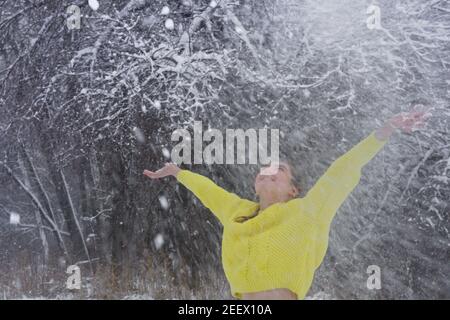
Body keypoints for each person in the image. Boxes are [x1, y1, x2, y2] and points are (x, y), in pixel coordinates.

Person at [143, 109, 429, 300]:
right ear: (255, 184)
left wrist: (386, 129)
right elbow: (209, 190)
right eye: (264, 168)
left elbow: (344, 168)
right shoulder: (236, 211)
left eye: (278, 169)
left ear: (293, 190)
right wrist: (178, 173)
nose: (269, 171)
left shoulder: (308, 210)